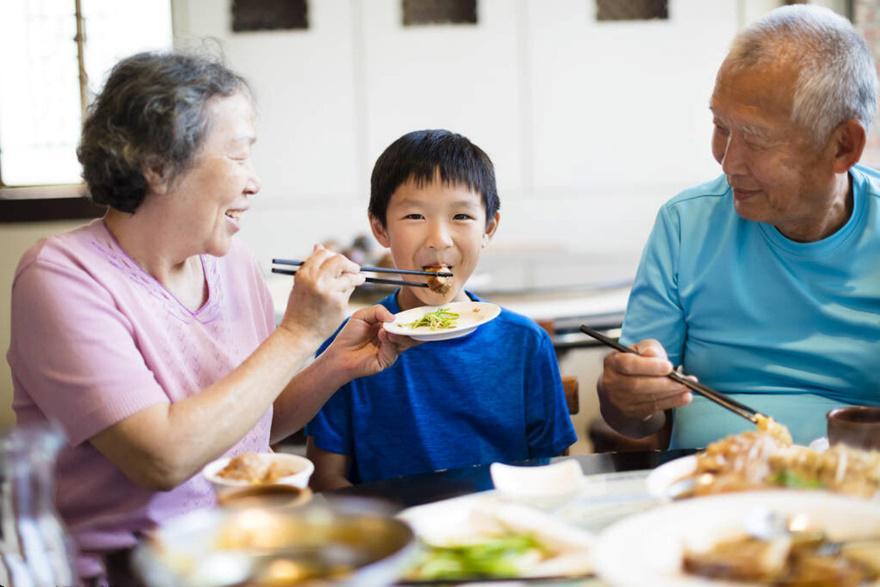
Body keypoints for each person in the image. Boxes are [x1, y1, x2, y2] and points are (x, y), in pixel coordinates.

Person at [6, 51, 415, 585]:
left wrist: (334, 363)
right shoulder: (59, 277)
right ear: (157, 166)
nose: (254, 182)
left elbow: (246, 425)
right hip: (134, 570)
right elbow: (164, 459)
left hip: (244, 552)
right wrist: (298, 333)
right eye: (238, 157)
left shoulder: (231, 263)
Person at [598, 4, 880, 449]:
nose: (728, 163)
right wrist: (627, 396)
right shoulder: (685, 224)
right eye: (720, 127)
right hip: (704, 482)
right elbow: (636, 422)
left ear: (843, 146)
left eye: (756, 139)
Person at [305, 129, 577, 489]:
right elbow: (327, 481)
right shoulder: (349, 348)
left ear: (489, 227)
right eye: (415, 216)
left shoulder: (526, 344)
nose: (439, 239)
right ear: (379, 228)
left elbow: (552, 473)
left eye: (462, 217)